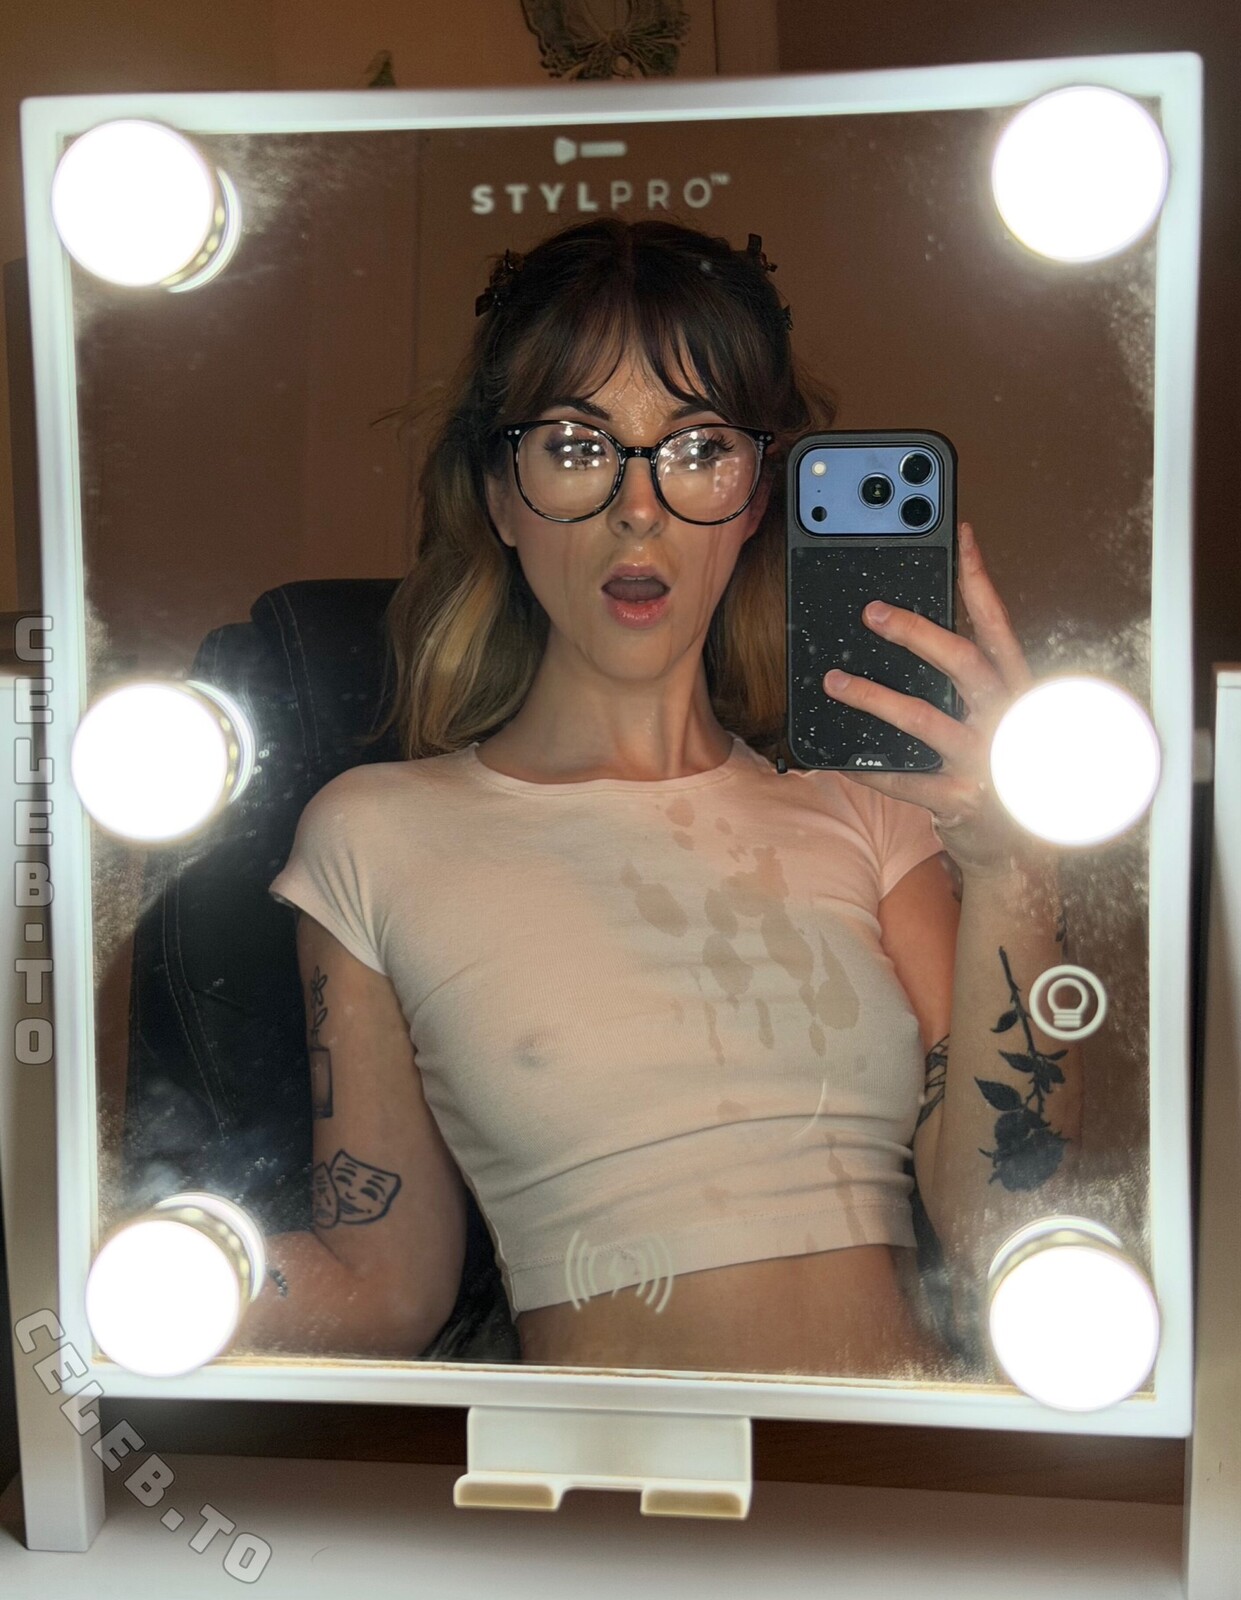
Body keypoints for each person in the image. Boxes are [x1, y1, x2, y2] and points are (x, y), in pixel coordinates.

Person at [247, 216, 1063, 1379]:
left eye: (696, 448)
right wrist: (93, 1274)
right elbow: (383, 1288)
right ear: (500, 495)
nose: (639, 508)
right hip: (597, 1477)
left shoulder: (869, 813)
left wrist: (1015, 865)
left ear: (756, 496)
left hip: (893, 1468)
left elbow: (1001, 1221)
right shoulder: (373, 836)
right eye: (577, 445)